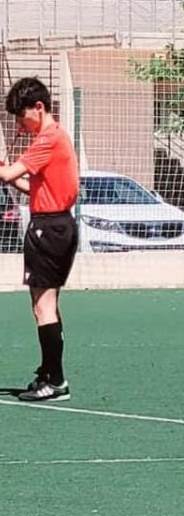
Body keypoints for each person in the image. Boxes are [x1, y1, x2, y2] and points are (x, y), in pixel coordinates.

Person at [0, 77, 79, 402]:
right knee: (44, 305)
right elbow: (30, 187)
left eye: (22, 116)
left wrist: (3, 169)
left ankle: (56, 380)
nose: (20, 125)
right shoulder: (53, 137)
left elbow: (9, 174)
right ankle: (48, 372)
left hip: (51, 228)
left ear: (39, 107)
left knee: (43, 306)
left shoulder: (48, 138)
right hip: (53, 225)